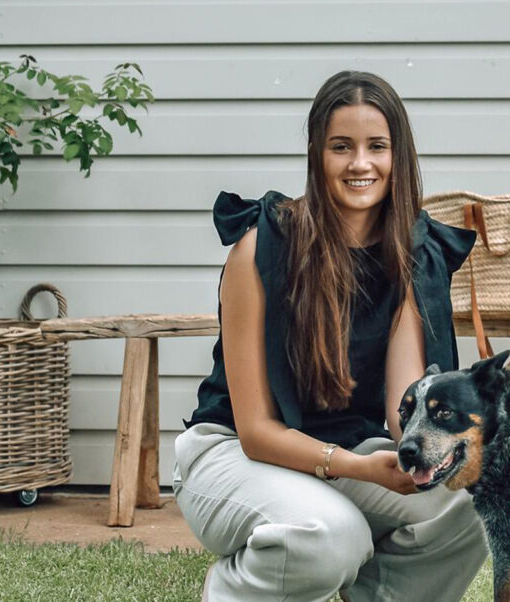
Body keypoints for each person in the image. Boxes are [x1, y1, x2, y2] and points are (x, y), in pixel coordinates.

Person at [171, 70, 489, 602]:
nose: (360, 163)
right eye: (342, 147)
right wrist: (357, 467)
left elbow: (404, 415)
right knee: (332, 535)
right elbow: (255, 431)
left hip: (351, 449)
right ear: (317, 155)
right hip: (235, 454)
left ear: (399, 156)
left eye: (377, 147)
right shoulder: (261, 248)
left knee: (479, 491)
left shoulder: (413, 253)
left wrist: (440, 449)